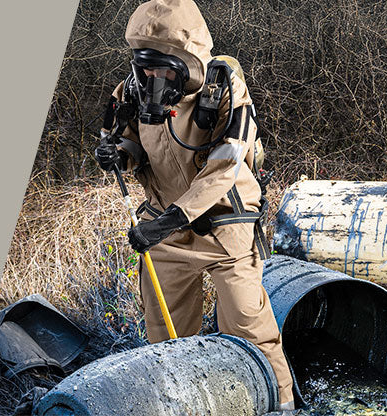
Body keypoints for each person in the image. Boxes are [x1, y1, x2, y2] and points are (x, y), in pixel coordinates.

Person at [94, 0, 296, 411]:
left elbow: (225, 164)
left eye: (163, 67)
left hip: (226, 219)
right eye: (145, 65)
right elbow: (129, 141)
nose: (153, 76)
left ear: (187, 62)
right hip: (164, 226)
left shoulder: (225, 88)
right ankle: (184, 405)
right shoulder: (129, 92)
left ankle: (281, 403)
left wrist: (174, 218)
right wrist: (119, 155)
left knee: (246, 323)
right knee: (165, 335)